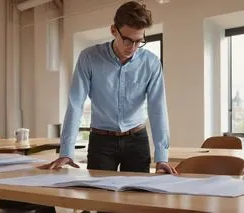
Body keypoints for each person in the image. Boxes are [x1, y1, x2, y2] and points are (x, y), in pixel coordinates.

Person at [40, 1, 177, 175]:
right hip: (101, 141)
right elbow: (76, 104)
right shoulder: (89, 58)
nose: (132, 48)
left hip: (137, 140)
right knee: (98, 198)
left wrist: (162, 157)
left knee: (136, 198)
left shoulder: (151, 63)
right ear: (113, 30)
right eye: (127, 40)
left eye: (138, 41)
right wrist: (66, 151)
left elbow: (158, 109)